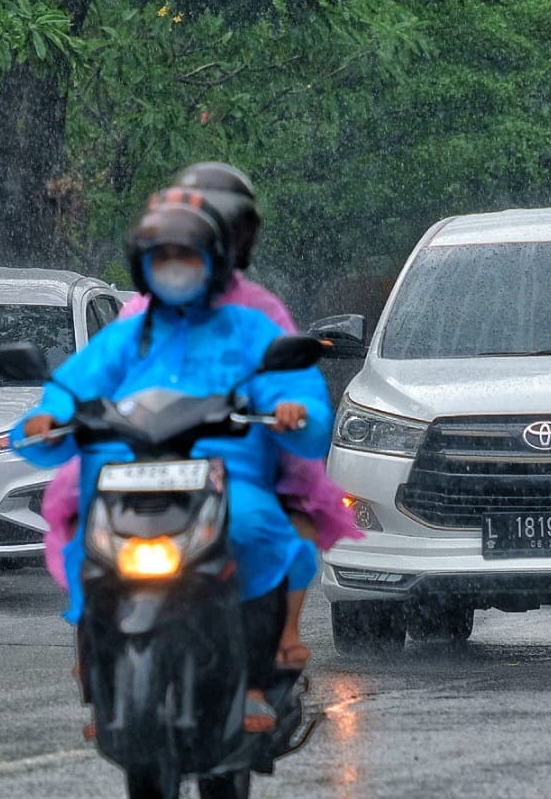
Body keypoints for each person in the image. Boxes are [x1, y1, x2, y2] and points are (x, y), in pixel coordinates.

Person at [17, 188, 332, 731]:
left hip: (226, 471)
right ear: (143, 267)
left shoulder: (252, 329)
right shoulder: (126, 337)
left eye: (187, 257)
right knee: (88, 544)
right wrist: (50, 416)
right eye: (162, 258)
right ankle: (100, 671)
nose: (175, 269)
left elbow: (299, 392)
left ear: (215, 262)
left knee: (257, 529)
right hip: (129, 470)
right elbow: (72, 386)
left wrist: (293, 412)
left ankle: (254, 680)